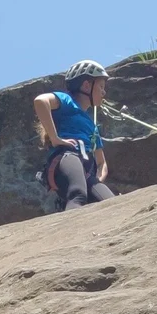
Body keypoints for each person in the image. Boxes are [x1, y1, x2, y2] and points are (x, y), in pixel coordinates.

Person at [34, 60, 116, 207]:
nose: (104, 92)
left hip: (86, 172)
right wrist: (55, 138)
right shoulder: (66, 101)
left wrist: (97, 179)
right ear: (86, 85)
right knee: (78, 193)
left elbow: (101, 162)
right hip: (67, 157)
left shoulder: (92, 126)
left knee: (112, 203)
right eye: (101, 86)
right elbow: (40, 101)